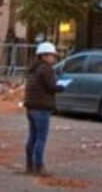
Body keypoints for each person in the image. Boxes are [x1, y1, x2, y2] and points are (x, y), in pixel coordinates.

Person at [23, 41, 63, 176]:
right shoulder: (46, 69)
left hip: (31, 106)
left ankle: (29, 165)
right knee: (41, 137)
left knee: (32, 137)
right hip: (42, 107)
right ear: (44, 56)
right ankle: (39, 166)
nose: (53, 58)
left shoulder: (32, 69)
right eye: (52, 55)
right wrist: (61, 87)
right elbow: (51, 87)